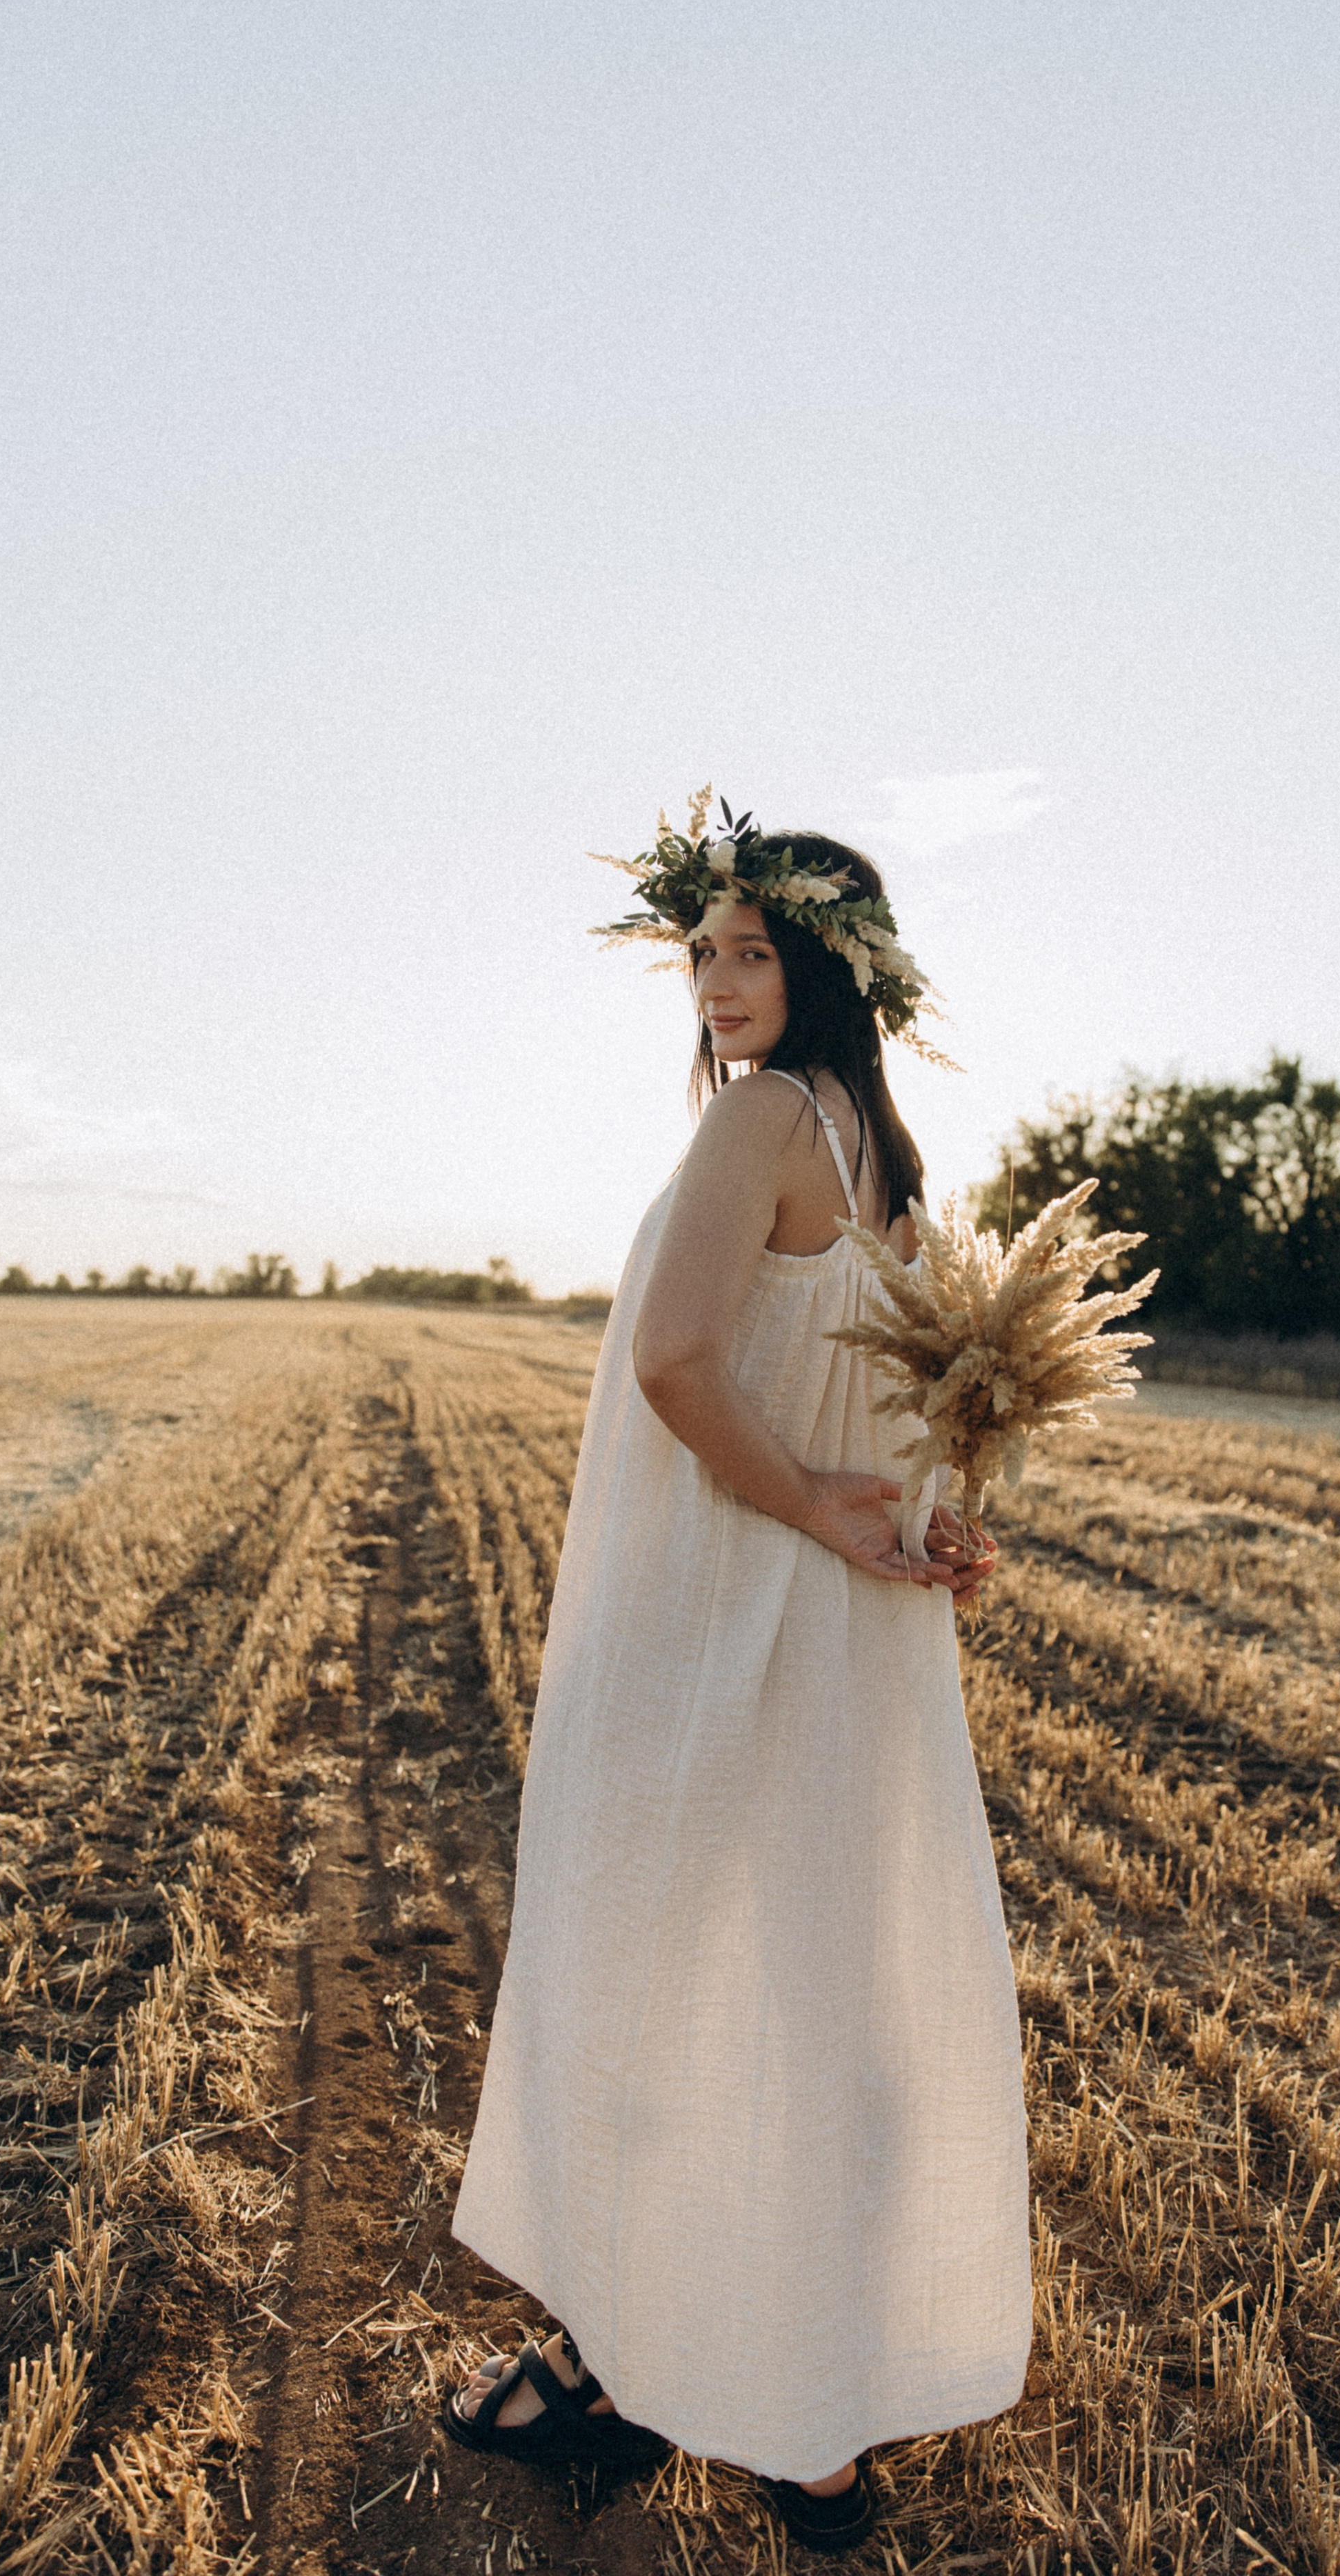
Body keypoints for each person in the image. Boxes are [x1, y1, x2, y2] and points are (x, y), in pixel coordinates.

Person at [444, 802, 1032, 2552]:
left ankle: (625, 2375)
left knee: (652, 1983)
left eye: (749, 948)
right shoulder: (891, 1169)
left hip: (720, 1625)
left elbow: (684, 1370)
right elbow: (900, 1431)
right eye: (701, 949)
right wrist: (917, 1531)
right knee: (821, 1998)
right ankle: (813, 2435)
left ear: (829, 968)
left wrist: (839, 1517)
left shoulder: (770, 1119)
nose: (713, 979)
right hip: (851, 1649)